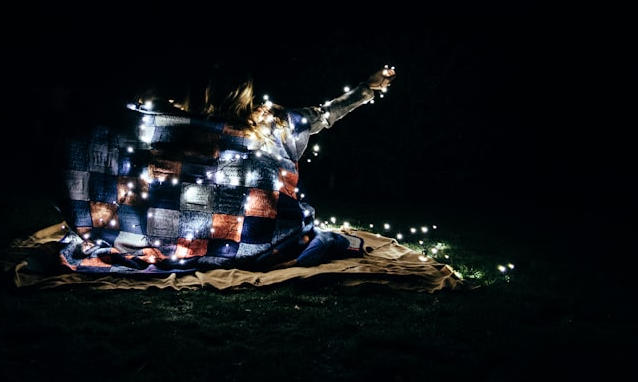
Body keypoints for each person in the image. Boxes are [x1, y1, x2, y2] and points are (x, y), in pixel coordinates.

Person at [31, 65, 396, 275]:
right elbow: (322, 115)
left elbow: (106, 134)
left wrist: (61, 112)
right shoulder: (266, 122)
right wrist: (365, 90)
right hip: (262, 239)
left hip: (190, 238)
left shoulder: (172, 125)